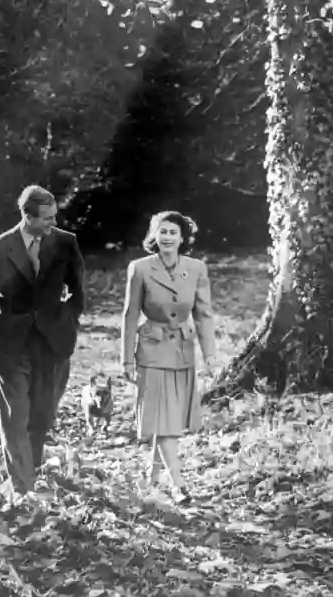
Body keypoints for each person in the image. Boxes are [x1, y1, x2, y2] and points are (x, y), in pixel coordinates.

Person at [0, 185, 85, 500]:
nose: (52, 223)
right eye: (46, 218)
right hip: (12, 343)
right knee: (15, 414)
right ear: (27, 216)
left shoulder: (65, 243)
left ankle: (29, 470)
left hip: (53, 344)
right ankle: (24, 490)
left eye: (54, 216)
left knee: (42, 415)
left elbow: (78, 291)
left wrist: (68, 319)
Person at [121, 210, 217, 506]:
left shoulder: (196, 268)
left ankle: (151, 478)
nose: (167, 237)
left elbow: (204, 314)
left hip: (183, 351)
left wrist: (210, 354)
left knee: (169, 419)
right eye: (161, 232)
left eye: (173, 232)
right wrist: (126, 359)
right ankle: (178, 485)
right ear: (153, 236)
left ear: (182, 238)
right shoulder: (139, 268)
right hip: (152, 350)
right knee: (164, 423)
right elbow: (130, 314)